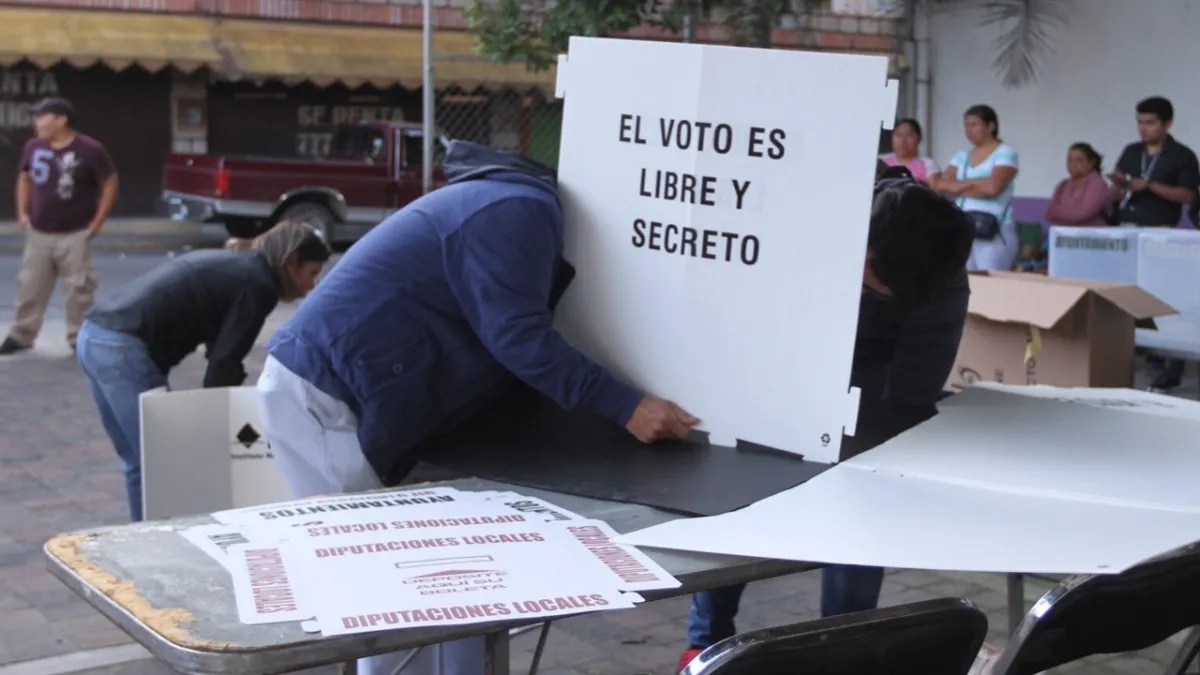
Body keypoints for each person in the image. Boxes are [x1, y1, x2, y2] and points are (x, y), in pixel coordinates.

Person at [255, 140, 699, 675]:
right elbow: (517, 336)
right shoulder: (518, 208)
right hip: (326, 395)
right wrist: (627, 406)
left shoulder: (506, 204)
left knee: (448, 582)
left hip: (349, 390)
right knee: (385, 587)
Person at [677, 166, 974, 673]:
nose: (882, 291)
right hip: (786, 344)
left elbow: (909, 401)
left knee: (866, 495)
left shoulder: (940, 279)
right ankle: (705, 646)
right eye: (878, 284)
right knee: (741, 489)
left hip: (879, 365)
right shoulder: (812, 224)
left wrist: (866, 459)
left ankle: (843, 646)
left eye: (892, 292)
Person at [76, 221, 331, 521]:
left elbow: (219, 350)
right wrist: (220, 424)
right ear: (290, 262)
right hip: (123, 347)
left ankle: (144, 531)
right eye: (312, 273)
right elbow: (224, 361)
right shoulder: (258, 284)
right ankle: (164, 538)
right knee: (162, 463)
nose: (311, 286)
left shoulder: (238, 267)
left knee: (140, 460)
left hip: (94, 335)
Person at [0, 97, 119, 355]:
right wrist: (22, 213)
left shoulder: (90, 149)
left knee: (78, 288)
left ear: (61, 120)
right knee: (30, 286)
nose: (37, 123)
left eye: (42, 117)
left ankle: (79, 337)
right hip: (39, 231)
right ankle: (22, 335)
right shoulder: (33, 146)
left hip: (75, 232)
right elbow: (24, 177)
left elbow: (110, 182)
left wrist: (97, 222)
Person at [1107, 97, 1199, 392]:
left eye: (1150, 123)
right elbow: (1117, 188)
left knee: (1161, 301)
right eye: (1139, 122)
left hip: (1160, 234)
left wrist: (1149, 185)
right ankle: (1137, 360)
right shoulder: (1131, 151)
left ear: (1167, 123)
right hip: (1128, 230)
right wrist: (1118, 187)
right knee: (1128, 298)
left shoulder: (1182, 156)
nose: (1143, 129)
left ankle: (1169, 368)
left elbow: (1188, 196)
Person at [935, 105, 1020, 271]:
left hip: (994, 229)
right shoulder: (962, 155)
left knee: (990, 280)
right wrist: (976, 183)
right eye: (966, 125)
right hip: (964, 227)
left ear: (990, 126)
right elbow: (940, 186)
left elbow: (993, 188)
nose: (968, 130)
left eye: (974, 125)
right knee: (964, 279)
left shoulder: (1005, 153)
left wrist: (958, 186)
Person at [1044, 143, 1114, 226]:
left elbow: (1084, 213)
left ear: (1091, 163)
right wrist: (1070, 212)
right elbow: (1049, 214)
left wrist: (1060, 212)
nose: (1073, 164)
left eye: (1079, 160)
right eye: (1069, 159)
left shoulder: (1098, 184)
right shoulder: (1063, 185)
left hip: (1091, 233)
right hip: (1065, 232)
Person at [879, 118, 940, 184]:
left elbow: (934, 187)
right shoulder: (881, 161)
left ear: (919, 138)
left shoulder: (927, 164)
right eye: (898, 135)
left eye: (909, 135)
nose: (902, 140)